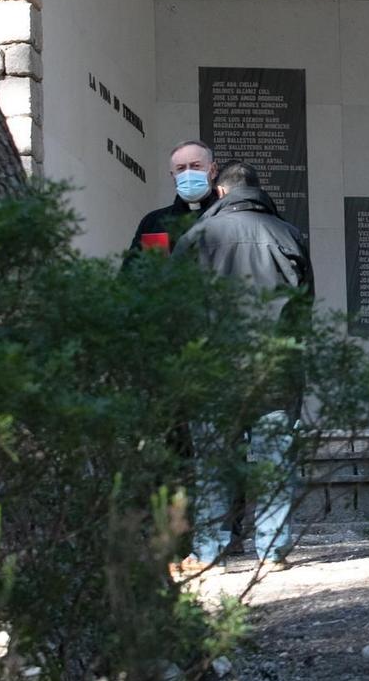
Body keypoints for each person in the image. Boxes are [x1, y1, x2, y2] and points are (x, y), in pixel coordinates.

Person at [173, 161, 315, 570]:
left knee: (214, 463)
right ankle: (272, 551)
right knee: (273, 461)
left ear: (219, 192)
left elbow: (177, 308)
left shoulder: (198, 236)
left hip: (213, 371)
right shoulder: (289, 234)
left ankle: (209, 551)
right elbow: (305, 307)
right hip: (275, 369)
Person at [124, 139, 221, 263]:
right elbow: (131, 273)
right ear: (173, 176)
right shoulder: (154, 222)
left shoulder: (228, 216)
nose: (188, 173)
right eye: (181, 168)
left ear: (212, 171)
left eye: (195, 166)